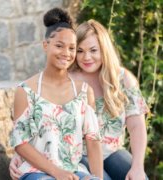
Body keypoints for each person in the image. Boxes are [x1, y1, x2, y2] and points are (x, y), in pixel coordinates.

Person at [10, 18, 149, 180]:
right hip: (77, 155)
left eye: (93, 50)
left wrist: (138, 166)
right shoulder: (67, 79)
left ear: (104, 49)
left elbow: (137, 127)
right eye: (80, 51)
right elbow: (41, 119)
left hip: (113, 151)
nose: (86, 57)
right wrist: (20, 155)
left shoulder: (122, 79)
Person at [10, 8, 103, 180]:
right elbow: (20, 143)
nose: (66, 53)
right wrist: (57, 172)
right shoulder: (25, 91)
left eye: (72, 48)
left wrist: (96, 177)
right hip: (35, 172)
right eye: (59, 46)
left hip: (74, 171)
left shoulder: (84, 92)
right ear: (45, 45)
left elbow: (93, 141)